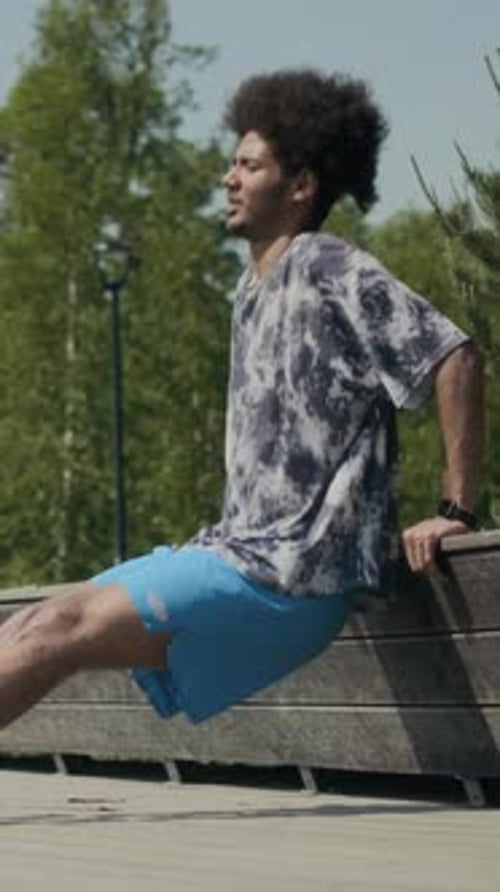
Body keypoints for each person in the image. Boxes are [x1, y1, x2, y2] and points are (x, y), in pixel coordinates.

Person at [0, 69, 484, 730]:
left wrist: (454, 507)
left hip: (290, 577)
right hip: (236, 553)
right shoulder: (252, 290)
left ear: (301, 186)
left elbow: (453, 354)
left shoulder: (326, 265)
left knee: (56, 626)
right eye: (232, 163)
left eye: (249, 166)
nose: (229, 178)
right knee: (30, 623)